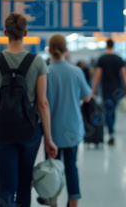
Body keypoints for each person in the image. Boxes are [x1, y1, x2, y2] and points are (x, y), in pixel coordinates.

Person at [0, 13, 57, 207]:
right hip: (30, 131)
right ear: (26, 33)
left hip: (2, 131)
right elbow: (42, 103)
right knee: (24, 184)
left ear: (5, 33)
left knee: (7, 186)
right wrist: (48, 138)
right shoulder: (37, 61)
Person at [46, 34, 91, 207]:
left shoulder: (45, 72)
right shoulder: (76, 72)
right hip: (72, 128)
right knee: (71, 166)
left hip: (52, 130)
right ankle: (73, 203)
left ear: (49, 50)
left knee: (53, 168)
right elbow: (87, 97)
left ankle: (53, 202)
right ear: (66, 50)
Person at [91, 39, 126, 145]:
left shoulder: (102, 59)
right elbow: (124, 74)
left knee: (108, 110)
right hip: (117, 89)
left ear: (106, 46)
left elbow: (98, 75)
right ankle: (111, 130)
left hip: (106, 89)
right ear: (113, 45)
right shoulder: (119, 59)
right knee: (112, 110)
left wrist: (94, 88)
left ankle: (111, 131)